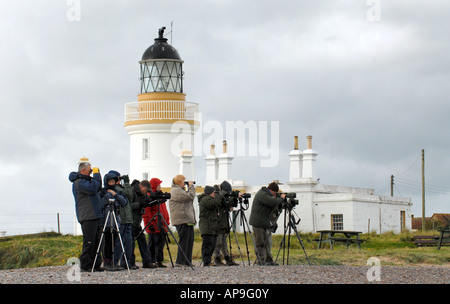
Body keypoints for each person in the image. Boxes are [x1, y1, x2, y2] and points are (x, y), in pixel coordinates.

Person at [68, 162, 104, 272]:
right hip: (88, 215)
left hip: (95, 214)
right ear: (83, 170)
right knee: (89, 242)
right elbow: (93, 188)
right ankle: (85, 265)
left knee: (97, 241)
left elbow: (97, 187)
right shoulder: (78, 182)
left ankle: (95, 264)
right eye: (90, 170)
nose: (91, 172)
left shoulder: (86, 181)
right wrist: (97, 176)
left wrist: (97, 177)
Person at [249, 182, 285, 266]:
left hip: (264, 222)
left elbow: (274, 202)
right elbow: (272, 202)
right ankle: (261, 260)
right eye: (274, 193)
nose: (274, 195)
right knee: (260, 242)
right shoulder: (262, 194)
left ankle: (269, 259)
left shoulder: (266, 194)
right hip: (257, 222)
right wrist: (281, 198)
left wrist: (279, 197)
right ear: (271, 190)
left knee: (267, 242)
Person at [99, 173, 128, 271]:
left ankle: (113, 262)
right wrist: (108, 196)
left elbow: (124, 203)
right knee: (106, 242)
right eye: (109, 181)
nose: (111, 183)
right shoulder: (102, 192)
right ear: (106, 182)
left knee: (114, 241)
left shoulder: (118, 191)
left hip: (115, 220)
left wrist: (115, 195)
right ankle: (106, 262)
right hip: (105, 220)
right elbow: (100, 204)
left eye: (113, 181)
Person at [107, 171, 134, 270]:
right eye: (118, 178)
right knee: (119, 241)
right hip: (121, 218)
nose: (119, 179)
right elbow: (128, 194)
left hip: (127, 218)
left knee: (128, 242)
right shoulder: (116, 189)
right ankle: (116, 261)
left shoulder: (120, 188)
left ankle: (126, 262)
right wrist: (126, 183)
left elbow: (130, 196)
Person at [142, 178, 170, 268]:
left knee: (161, 243)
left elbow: (164, 211)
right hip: (153, 224)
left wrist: (166, 221)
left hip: (161, 223)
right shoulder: (150, 197)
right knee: (153, 243)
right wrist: (150, 224)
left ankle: (159, 260)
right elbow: (147, 212)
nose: (160, 187)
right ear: (154, 186)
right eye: (158, 185)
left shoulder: (159, 196)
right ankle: (151, 260)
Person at [169, 174, 196, 267]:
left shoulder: (180, 190)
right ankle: (180, 261)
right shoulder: (176, 190)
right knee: (184, 241)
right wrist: (191, 186)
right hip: (181, 219)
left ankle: (187, 261)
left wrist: (189, 188)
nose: (185, 183)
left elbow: (188, 197)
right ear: (179, 182)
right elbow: (189, 197)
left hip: (186, 218)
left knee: (189, 240)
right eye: (183, 181)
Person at [126, 179, 153, 268]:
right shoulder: (132, 191)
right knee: (132, 243)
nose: (147, 193)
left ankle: (147, 262)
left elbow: (147, 201)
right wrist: (140, 204)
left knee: (142, 241)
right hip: (131, 221)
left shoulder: (141, 194)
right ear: (142, 187)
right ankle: (131, 263)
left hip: (137, 222)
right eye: (147, 190)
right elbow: (128, 206)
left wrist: (153, 199)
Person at [212, 181, 238, 266]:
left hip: (224, 222)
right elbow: (218, 204)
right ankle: (216, 258)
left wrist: (234, 198)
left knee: (224, 243)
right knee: (218, 242)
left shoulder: (222, 196)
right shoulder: (217, 195)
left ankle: (227, 258)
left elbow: (229, 204)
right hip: (219, 223)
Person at [198, 185, 225, 266]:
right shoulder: (205, 199)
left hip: (211, 226)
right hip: (207, 226)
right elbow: (215, 203)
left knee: (211, 245)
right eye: (214, 192)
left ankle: (208, 261)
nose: (215, 194)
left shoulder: (208, 199)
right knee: (207, 245)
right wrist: (220, 194)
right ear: (209, 193)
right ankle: (206, 262)